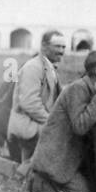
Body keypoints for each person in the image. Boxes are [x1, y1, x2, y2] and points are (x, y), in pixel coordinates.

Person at [25, 50, 96, 192]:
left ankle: (43, 182)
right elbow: (80, 126)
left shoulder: (90, 88)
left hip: (71, 158)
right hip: (57, 160)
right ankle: (40, 183)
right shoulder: (78, 88)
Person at [8, 29, 66, 174]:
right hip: (27, 125)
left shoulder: (49, 67)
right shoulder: (33, 67)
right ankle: (22, 170)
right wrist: (52, 123)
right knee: (65, 137)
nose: (61, 51)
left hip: (37, 122)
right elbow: (29, 103)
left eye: (63, 47)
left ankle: (32, 168)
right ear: (44, 46)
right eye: (57, 46)